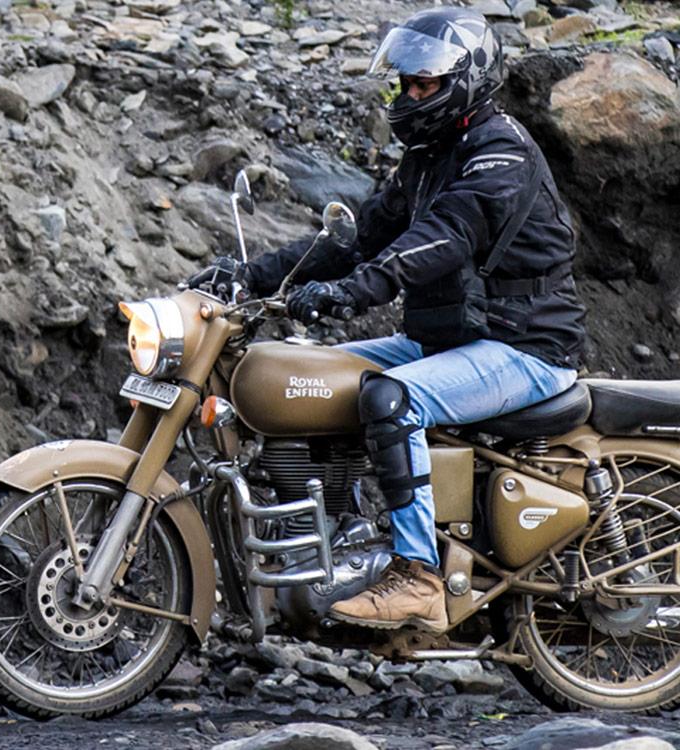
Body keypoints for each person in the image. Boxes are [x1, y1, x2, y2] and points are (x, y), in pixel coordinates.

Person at [188, 7, 586, 631]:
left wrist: (352, 292)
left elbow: (445, 236)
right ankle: (337, 534)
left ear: (466, 81)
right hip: (449, 340)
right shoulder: (428, 157)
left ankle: (418, 577)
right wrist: (252, 275)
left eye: (424, 84)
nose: (410, 96)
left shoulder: (499, 152)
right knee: (313, 375)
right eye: (406, 84)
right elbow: (358, 239)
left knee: (391, 399)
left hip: (526, 345)